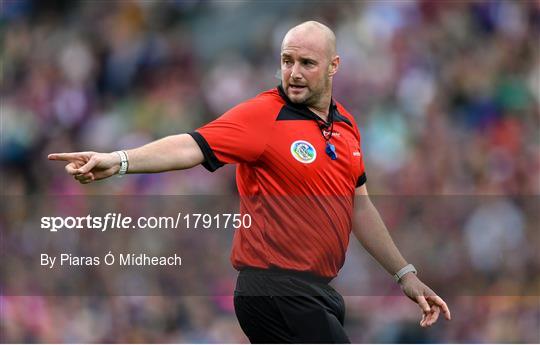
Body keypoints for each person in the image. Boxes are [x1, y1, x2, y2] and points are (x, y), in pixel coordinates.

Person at [49, 21, 451, 343]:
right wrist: (119, 161)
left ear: (334, 66)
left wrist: (405, 275)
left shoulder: (346, 127)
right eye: (287, 60)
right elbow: (190, 145)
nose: (293, 73)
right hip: (273, 289)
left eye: (307, 63)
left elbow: (359, 206)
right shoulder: (264, 115)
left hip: (317, 294)